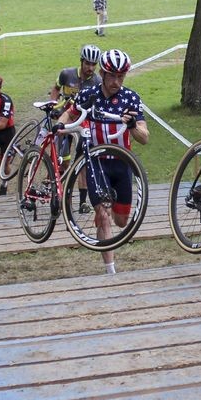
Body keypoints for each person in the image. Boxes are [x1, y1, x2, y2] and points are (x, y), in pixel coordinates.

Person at [58, 49, 148, 275]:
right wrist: (59, 126)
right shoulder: (88, 94)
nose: (116, 81)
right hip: (95, 161)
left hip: (121, 163)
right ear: (102, 73)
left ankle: (106, 216)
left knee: (121, 221)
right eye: (112, 76)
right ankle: (111, 271)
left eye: (121, 77)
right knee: (104, 215)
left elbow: (144, 137)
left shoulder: (131, 98)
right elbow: (69, 114)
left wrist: (132, 126)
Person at [50, 45, 103, 212]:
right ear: (81, 61)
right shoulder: (67, 74)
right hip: (66, 120)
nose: (91, 68)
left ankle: (82, 202)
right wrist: (53, 106)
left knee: (83, 162)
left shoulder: (97, 81)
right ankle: (58, 196)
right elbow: (56, 89)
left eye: (94, 64)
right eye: (87, 63)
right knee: (63, 162)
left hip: (83, 124)